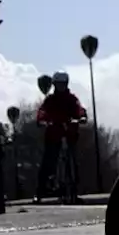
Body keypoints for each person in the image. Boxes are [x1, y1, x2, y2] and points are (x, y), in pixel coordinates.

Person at [35, 71, 88, 202]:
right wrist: (42, 120)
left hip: (70, 134)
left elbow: (79, 108)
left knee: (73, 160)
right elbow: (42, 111)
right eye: (58, 84)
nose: (61, 87)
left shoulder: (71, 99)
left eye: (63, 84)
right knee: (48, 161)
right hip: (53, 134)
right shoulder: (50, 100)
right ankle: (40, 191)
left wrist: (81, 117)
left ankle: (74, 190)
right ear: (54, 85)